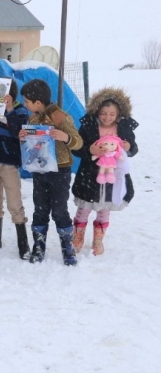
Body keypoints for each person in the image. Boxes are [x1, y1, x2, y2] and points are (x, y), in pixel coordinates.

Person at [19, 79, 83, 265]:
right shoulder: (33, 119)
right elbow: (31, 145)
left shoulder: (61, 118)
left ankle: (67, 247)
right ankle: (39, 246)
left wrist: (65, 137)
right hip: (40, 171)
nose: (25, 104)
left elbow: (78, 142)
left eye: (27, 101)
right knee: (40, 210)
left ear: (37, 102)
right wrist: (23, 137)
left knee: (60, 210)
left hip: (60, 172)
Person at [71, 87, 138, 256]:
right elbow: (77, 148)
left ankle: (98, 240)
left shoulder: (123, 128)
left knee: (104, 210)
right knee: (83, 209)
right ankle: (77, 238)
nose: (107, 117)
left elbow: (133, 148)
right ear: (97, 112)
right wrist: (89, 150)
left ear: (118, 114)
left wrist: (129, 147)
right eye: (103, 113)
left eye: (111, 114)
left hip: (112, 177)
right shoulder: (88, 126)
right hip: (89, 175)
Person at [0, 79, 31, 259]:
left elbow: (18, 132)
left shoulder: (20, 111)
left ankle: (23, 244)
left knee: (14, 204)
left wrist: (9, 110)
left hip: (9, 163)